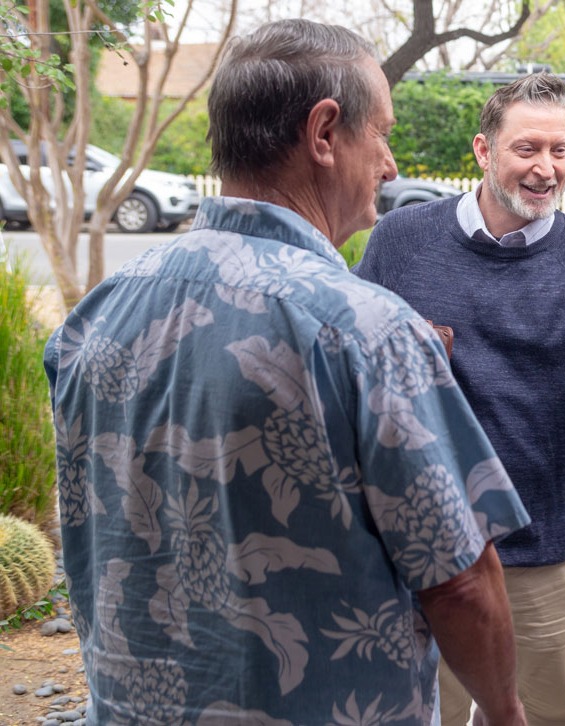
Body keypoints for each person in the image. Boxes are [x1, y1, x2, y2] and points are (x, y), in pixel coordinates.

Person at [44, 19, 530, 725]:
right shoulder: (368, 330)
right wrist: (506, 711)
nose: (390, 165)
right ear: (324, 134)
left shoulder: (94, 318)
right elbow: (458, 582)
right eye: (381, 134)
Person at [353, 72, 565, 726]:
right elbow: (350, 355)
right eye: (527, 149)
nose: (546, 168)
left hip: (539, 542)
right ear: (483, 151)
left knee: (549, 714)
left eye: (559, 151)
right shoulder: (401, 244)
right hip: (422, 539)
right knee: (422, 713)